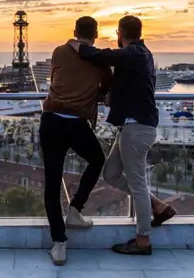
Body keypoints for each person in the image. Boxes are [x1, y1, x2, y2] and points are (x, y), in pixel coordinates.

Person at [69, 15, 176, 256]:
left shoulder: (136, 53)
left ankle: (143, 241)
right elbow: (127, 86)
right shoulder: (138, 56)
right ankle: (158, 206)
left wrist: (78, 46)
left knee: (138, 183)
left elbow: (100, 56)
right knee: (111, 174)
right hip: (130, 127)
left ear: (120, 33)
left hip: (137, 129)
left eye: (117, 34)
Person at [40, 16, 112, 266]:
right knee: (96, 160)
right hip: (76, 123)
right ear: (95, 35)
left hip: (51, 120)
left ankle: (59, 243)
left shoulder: (59, 51)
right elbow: (108, 86)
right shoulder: (100, 60)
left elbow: (56, 78)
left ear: (74, 31)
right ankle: (75, 209)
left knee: (52, 181)